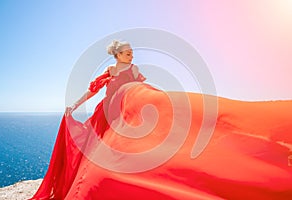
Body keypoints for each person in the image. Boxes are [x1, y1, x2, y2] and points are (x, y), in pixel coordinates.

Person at [31, 40, 292, 200]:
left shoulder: (134, 71)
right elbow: (94, 90)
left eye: (132, 52)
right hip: (111, 108)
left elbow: (139, 85)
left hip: (132, 102)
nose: (131, 56)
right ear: (117, 56)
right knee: (99, 152)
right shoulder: (111, 71)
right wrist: (75, 105)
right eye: (127, 53)